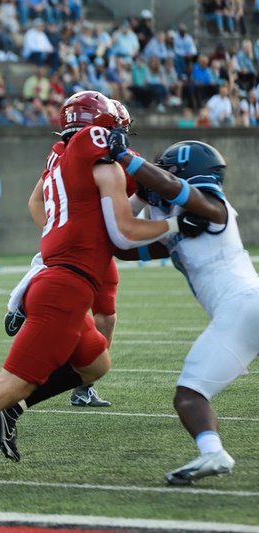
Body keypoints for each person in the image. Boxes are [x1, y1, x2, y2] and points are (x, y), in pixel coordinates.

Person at [0, 91, 209, 484]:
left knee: (95, 363)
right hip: (65, 286)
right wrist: (177, 224)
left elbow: (70, 206)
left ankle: (10, 410)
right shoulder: (96, 155)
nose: (121, 139)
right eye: (117, 131)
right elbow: (126, 232)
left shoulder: (63, 159)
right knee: (13, 381)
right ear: (103, 129)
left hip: (61, 277)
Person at [108, 137, 245, 485]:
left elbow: (172, 187)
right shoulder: (179, 223)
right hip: (241, 313)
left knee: (189, 395)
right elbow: (121, 247)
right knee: (189, 396)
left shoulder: (214, 208)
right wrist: (142, 197)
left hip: (242, 307)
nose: (161, 176)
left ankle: (213, 452)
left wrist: (124, 157)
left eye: (168, 169)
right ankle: (212, 452)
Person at [3, 98, 138, 409]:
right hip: (80, 250)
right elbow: (36, 200)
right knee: (72, 310)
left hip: (95, 247)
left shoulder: (69, 152)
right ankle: (25, 295)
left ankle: (84, 385)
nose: (118, 135)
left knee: (106, 316)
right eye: (115, 128)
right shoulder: (74, 154)